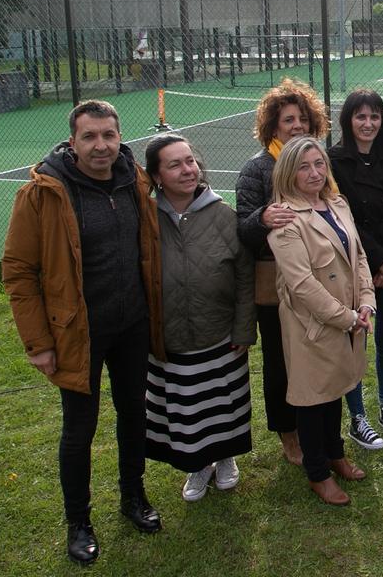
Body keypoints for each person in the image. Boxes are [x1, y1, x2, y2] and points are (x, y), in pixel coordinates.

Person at [2, 100, 163, 565]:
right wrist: (39, 343)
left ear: (120, 138)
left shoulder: (135, 180)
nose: (100, 145)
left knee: (134, 413)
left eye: (108, 135)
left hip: (132, 325)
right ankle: (79, 522)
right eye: (89, 136)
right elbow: (18, 271)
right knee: (79, 429)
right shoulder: (43, 193)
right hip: (78, 333)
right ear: (72, 142)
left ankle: (133, 497)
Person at [143, 134, 256, 501]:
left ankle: (225, 458)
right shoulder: (145, 221)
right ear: (156, 176)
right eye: (174, 164)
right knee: (187, 409)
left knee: (223, 403)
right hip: (171, 338)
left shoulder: (223, 215)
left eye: (190, 161)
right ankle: (198, 464)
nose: (187, 170)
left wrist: (243, 328)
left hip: (220, 335)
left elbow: (245, 277)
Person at [267, 136, 374, 505]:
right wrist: (347, 318)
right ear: (288, 173)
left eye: (318, 164)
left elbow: (359, 258)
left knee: (335, 389)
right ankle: (317, 472)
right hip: (311, 326)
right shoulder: (286, 220)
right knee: (313, 398)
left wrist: (367, 302)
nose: (314, 173)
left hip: (347, 318)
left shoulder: (337, 204)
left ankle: (335, 453)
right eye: (304, 167)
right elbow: (302, 286)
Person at [235, 78, 330, 466]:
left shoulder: (318, 164)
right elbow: (242, 228)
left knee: (316, 356)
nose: (297, 126)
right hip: (276, 285)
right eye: (288, 119)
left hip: (319, 279)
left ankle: (317, 427)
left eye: (303, 118)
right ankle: (288, 434)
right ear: (273, 126)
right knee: (280, 363)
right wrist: (263, 218)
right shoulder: (257, 169)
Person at [329, 89, 383, 445]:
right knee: (356, 342)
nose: (368, 123)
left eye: (375, 116)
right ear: (348, 120)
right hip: (355, 265)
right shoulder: (334, 161)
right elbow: (343, 218)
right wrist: (378, 261)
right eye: (361, 116)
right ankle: (357, 417)